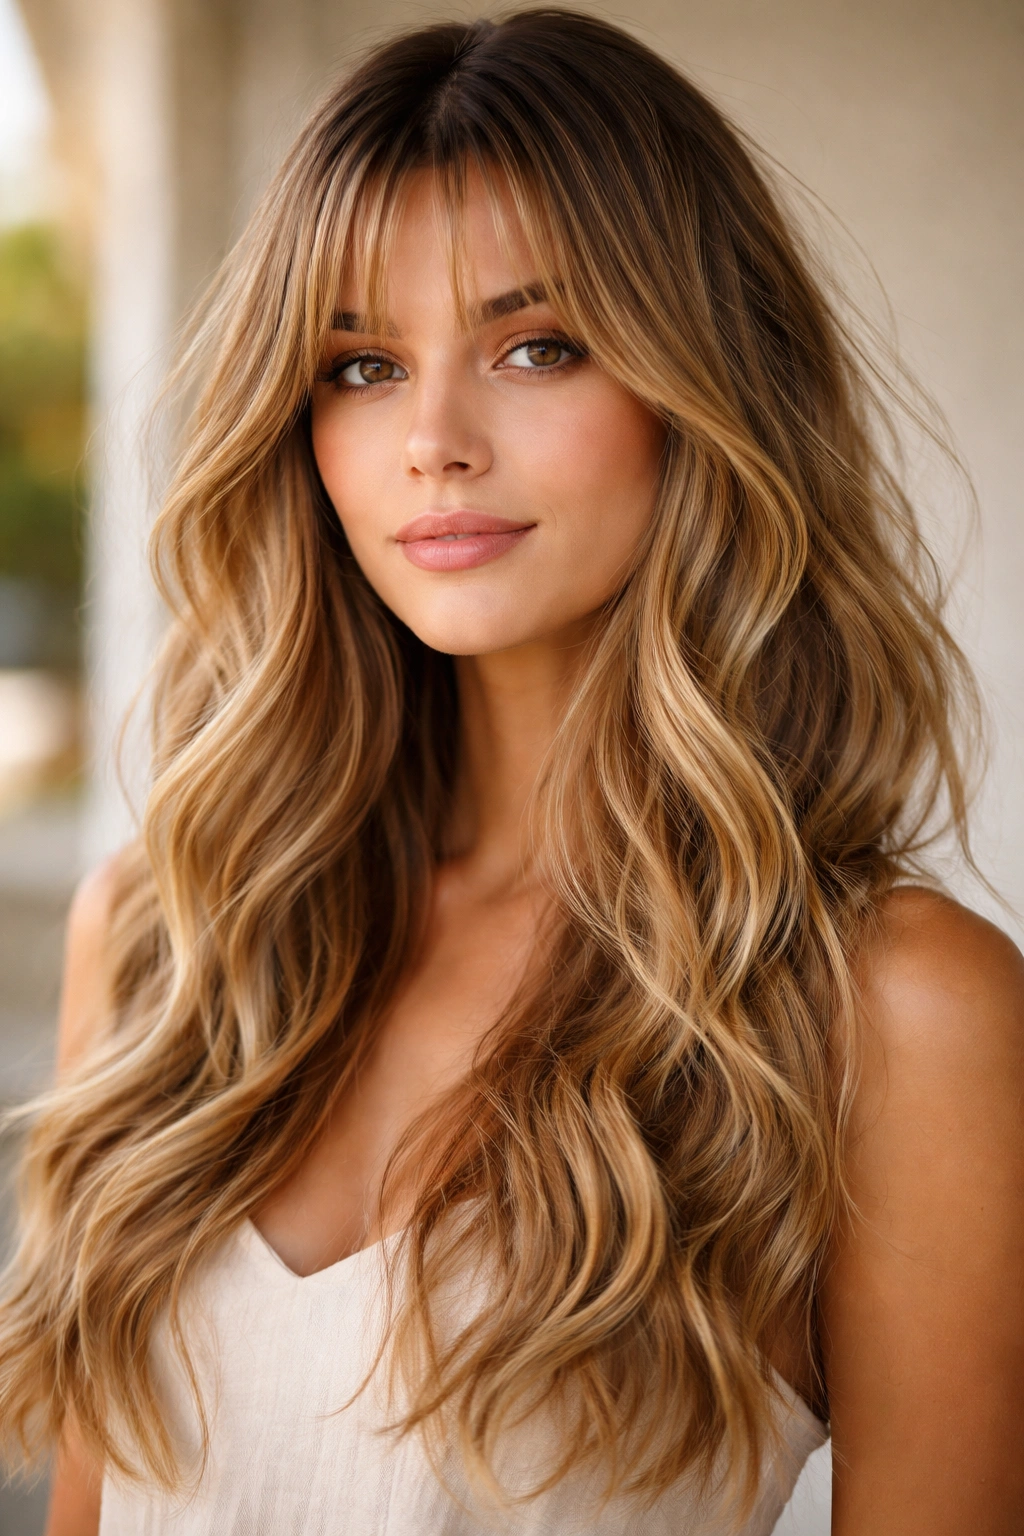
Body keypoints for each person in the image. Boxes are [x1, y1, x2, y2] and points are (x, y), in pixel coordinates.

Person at [2, 10, 1021, 1534]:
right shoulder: (168, 939)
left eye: (539, 347)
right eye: (359, 363)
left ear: (706, 392)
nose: (433, 439)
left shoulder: (894, 1013)